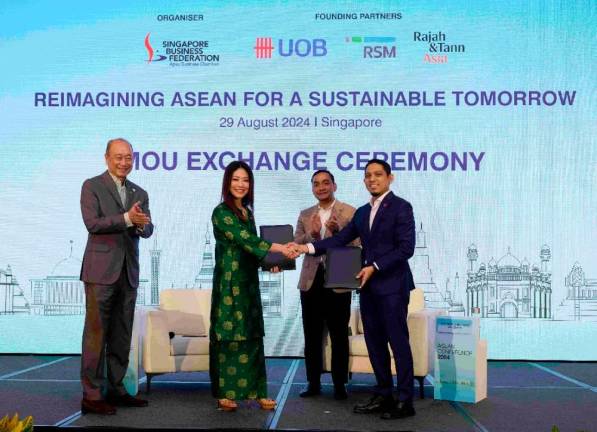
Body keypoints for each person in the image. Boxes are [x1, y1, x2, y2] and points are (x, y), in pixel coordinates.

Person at [293, 159, 417, 419]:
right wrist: (307, 248)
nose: (372, 179)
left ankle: (405, 400)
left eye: (378, 175)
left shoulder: (401, 207)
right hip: (367, 286)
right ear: (364, 180)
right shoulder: (361, 212)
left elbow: (406, 249)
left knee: (398, 343)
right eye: (368, 175)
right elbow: (339, 239)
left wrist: (374, 266)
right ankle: (384, 394)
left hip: (392, 286)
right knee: (374, 344)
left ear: (389, 178)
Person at [210, 161, 297, 412]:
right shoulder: (221, 212)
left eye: (245, 180)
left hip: (248, 284)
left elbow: (251, 251)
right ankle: (226, 394)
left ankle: (257, 391)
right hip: (229, 285)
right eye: (236, 179)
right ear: (228, 183)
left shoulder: (247, 211)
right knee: (228, 336)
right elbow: (244, 239)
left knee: (252, 335)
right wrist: (280, 247)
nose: (241, 185)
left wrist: (270, 264)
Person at [80, 138, 153, 415]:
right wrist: (126, 219)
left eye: (129, 158)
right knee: (96, 336)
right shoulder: (92, 186)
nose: (124, 162)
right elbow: (93, 224)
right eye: (118, 157)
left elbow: (147, 228)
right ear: (107, 158)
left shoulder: (140, 192)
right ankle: (92, 395)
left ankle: (117, 388)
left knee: (122, 335)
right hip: (100, 273)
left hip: (128, 273)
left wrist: (142, 225)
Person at [294, 170, 356, 400]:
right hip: (311, 282)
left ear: (334, 186)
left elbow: (359, 243)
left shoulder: (349, 212)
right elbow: (296, 242)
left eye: (325, 183)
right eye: (316, 184)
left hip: (339, 279)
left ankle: (340, 384)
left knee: (339, 335)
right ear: (312, 188)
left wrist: (338, 232)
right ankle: (313, 383)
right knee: (311, 335)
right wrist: (311, 234)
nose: (321, 187)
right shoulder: (305, 214)